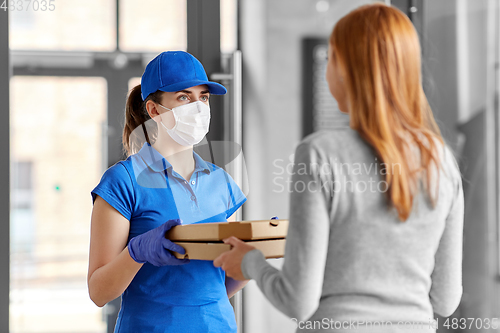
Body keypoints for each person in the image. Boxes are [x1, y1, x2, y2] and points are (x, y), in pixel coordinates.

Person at [214, 4, 464, 333]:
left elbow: (297, 301)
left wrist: (249, 262)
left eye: (331, 57)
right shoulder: (441, 160)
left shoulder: (319, 154)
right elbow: (445, 300)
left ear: (347, 68)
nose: (327, 68)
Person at [87, 51, 248, 332]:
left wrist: (250, 262)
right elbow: (99, 293)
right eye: (184, 97)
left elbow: (215, 286)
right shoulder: (123, 181)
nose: (198, 107)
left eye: (204, 97)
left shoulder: (220, 181)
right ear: (154, 110)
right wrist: (136, 253)